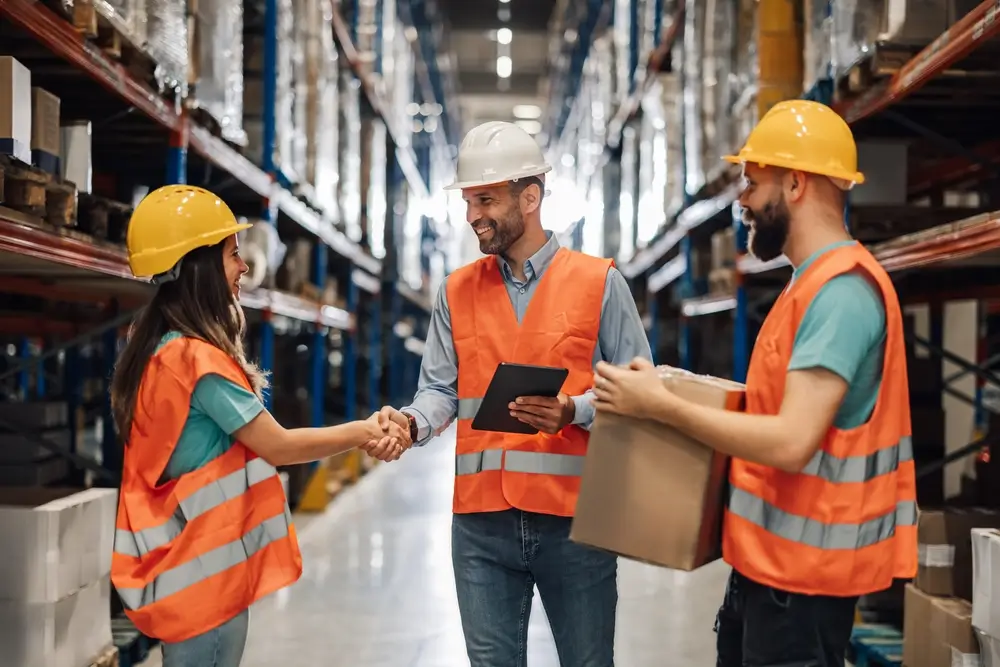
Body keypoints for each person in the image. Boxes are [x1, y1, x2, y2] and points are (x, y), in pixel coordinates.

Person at [591, 100, 917, 667]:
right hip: (770, 574)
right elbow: (765, 407)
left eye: (752, 181)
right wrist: (672, 385)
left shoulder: (840, 294)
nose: (740, 198)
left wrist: (662, 407)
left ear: (795, 183)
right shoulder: (806, 284)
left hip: (804, 588)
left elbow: (791, 441)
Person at [369, 120, 652, 667]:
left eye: (486, 200)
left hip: (576, 523)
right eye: (470, 201)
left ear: (530, 196)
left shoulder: (599, 282)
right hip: (480, 525)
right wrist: (411, 422)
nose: (473, 215)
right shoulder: (456, 290)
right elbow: (439, 389)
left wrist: (577, 409)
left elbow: (643, 389)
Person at [109, 185, 409, 667]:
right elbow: (279, 446)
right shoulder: (198, 362)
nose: (244, 266)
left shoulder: (163, 350)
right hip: (203, 577)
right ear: (200, 266)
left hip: (183, 566)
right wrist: (364, 430)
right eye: (232, 255)